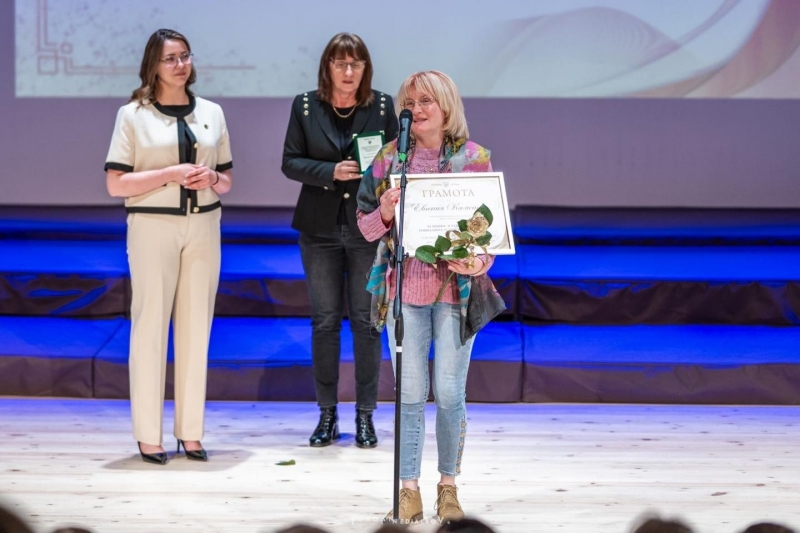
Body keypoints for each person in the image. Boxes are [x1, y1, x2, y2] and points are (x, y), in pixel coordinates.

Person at [356, 71, 497, 522]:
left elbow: (488, 235)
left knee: (451, 393)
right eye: (409, 102)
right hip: (404, 292)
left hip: (456, 292)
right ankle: (409, 490)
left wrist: (479, 262)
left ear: (446, 106)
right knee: (410, 394)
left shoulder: (473, 158)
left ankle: (448, 487)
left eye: (425, 101)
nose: (416, 109)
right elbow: (365, 227)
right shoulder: (389, 159)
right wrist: (383, 211)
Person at [105, 28, 233, 465]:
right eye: (170, 58)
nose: (180, 65)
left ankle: (191, 432)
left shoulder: (212, 112)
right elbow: (115, 183)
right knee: (151, 326)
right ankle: (148, 435)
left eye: (185, 56)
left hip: (204, 225)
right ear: (153, 66)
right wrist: (170, 174)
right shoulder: (132, 115)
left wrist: (212, 178)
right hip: (152, 226)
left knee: (197, 327)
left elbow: (227, 179)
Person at [281, 33, 399, 448]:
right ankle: (327, 414)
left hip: (367, 227)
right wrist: (328, 172)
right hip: (319, 228)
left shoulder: (382, 106)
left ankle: (366, 415)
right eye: (340, 63)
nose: (348, 72)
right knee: (325, 320)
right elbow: (290, 161)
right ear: (327, 67)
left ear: (366, 68)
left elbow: (394, 161)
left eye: (356, 64)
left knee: (367, 322)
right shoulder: (305, 106)